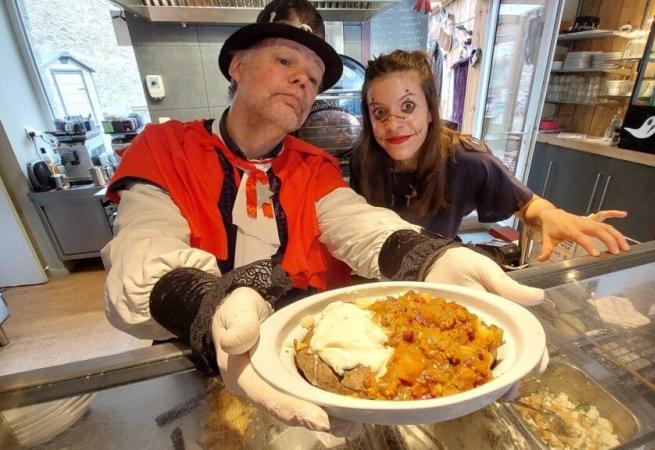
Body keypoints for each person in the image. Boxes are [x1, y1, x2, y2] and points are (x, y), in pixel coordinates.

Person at [101, 0, 544, 433]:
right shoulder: (164, 148)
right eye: (284, 60)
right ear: (236, 66)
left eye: (313, 78)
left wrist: (428, 256)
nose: (301, 81)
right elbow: (143, 247)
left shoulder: (313, 166)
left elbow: (357, 223)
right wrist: (213, 303)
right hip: (197, 354)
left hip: (307, 360)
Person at [351, 50, 630, 262]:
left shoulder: (466, 160)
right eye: (379, 112)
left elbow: (527, 203)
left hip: (440, 268)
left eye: (408, 106)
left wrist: (551, 215)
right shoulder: (363, 159)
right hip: (378, 269)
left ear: (430, 110)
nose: (393, 123)